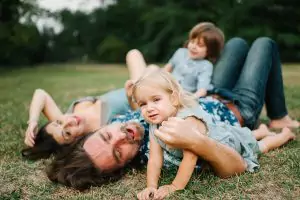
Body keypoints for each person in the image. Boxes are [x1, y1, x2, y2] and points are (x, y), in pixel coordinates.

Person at [130, 70, 295, 200]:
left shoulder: (188, 121)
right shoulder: (155, 125)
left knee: (257, 146)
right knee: (249, 136)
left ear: (173, 98)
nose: (149, 108)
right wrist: (151, 186)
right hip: (220, 136)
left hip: (227, 144)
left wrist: (174, 186)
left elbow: (190, 157)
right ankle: (261, 131)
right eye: (143, 104)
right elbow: (155, 158)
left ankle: (283, 136)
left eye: (156, 100)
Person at [126, 36, 299, 130]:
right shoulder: (161, 133)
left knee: (236, 43)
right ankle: (279, 117)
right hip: (239, 111)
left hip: (210, 93)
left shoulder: (131, 119)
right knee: (264, 44)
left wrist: (131, 96)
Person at [127, 22, 224, 98]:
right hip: (164, 85)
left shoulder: (206, 65)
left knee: (152, 70)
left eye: (200, 45)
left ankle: (138, 89)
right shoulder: (181, 52)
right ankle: (136, 86)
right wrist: (153, 77)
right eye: (192, 42)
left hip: (175, 95)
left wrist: (191, 99)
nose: (194, 47)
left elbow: (202, 90)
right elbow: (166, 69)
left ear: (210, 51)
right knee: (150, 66)